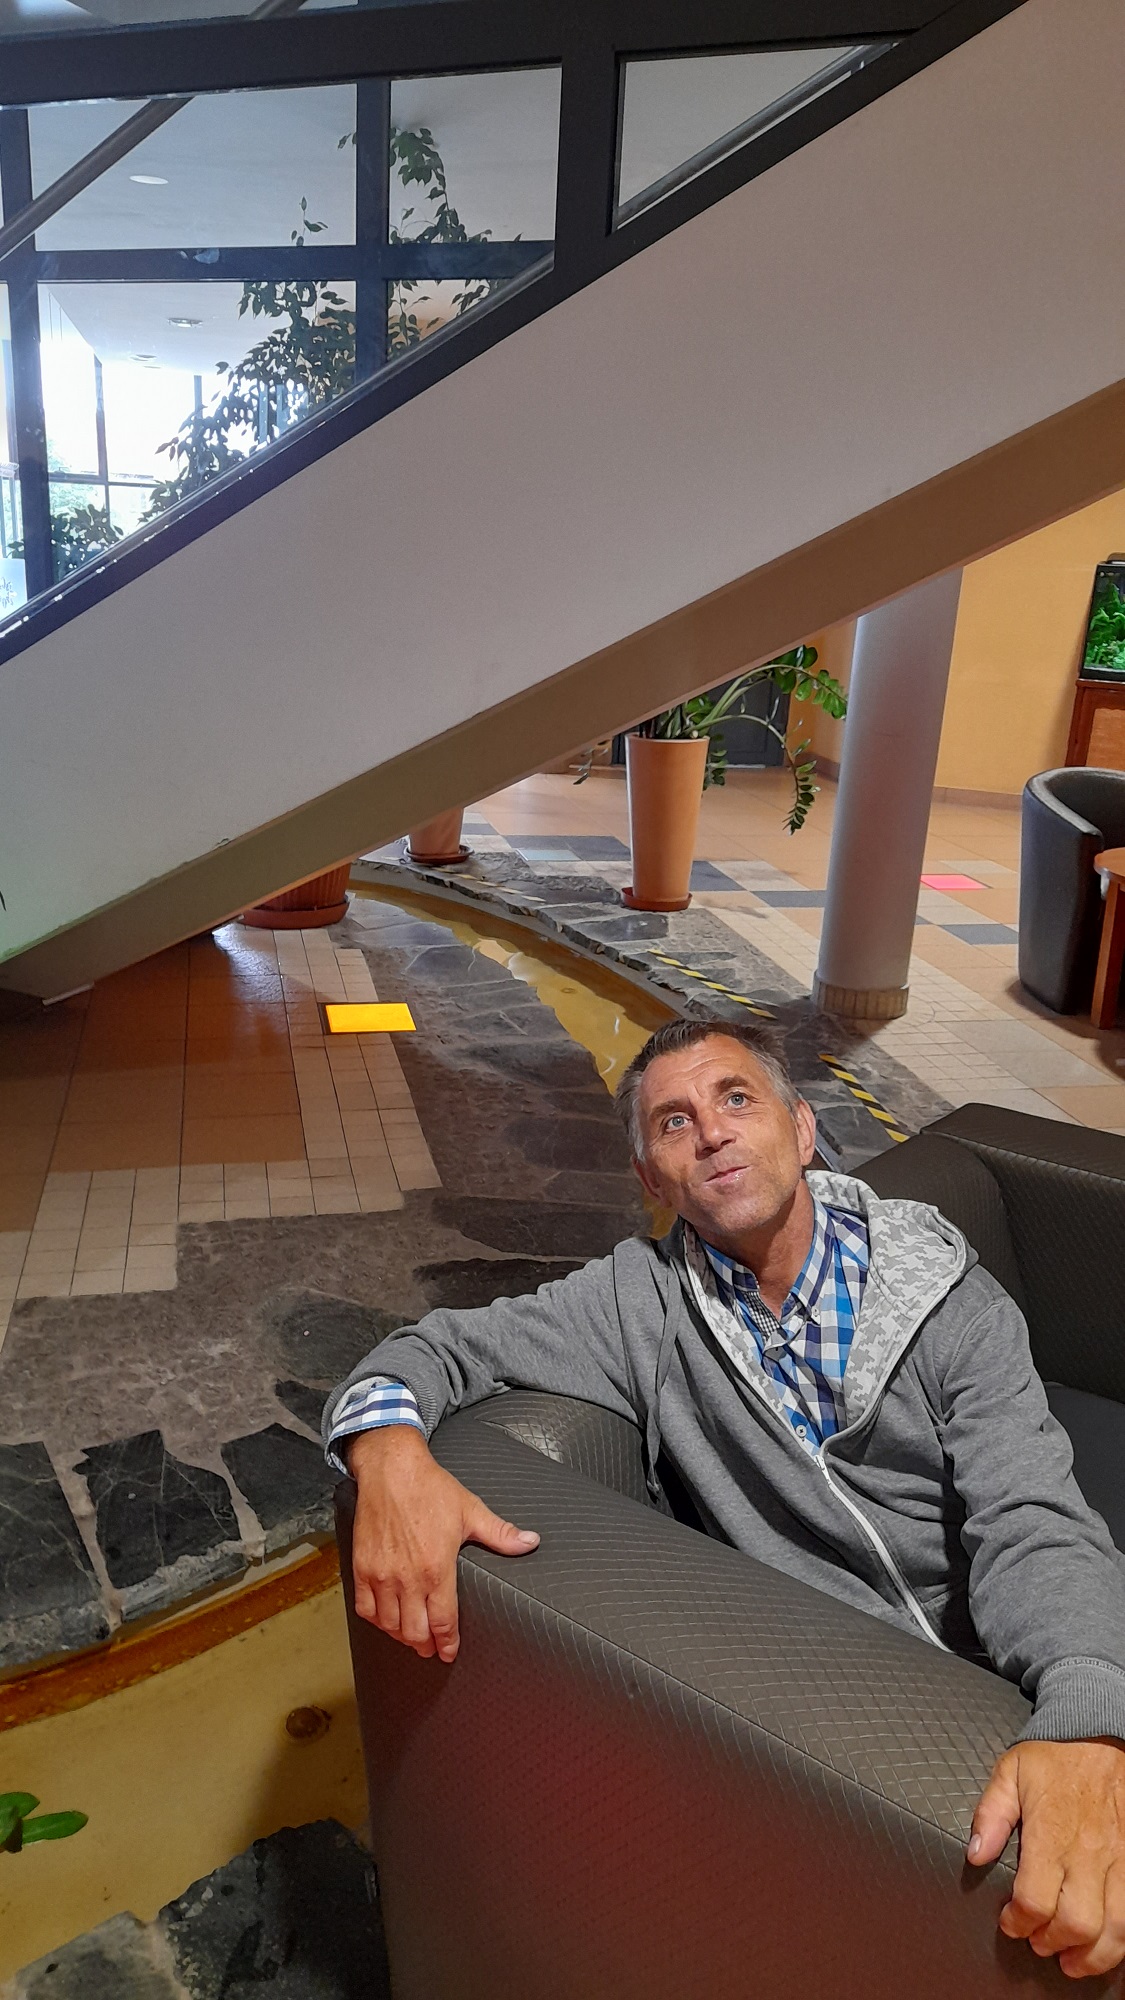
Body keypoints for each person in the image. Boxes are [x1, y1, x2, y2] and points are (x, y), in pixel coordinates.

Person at [324, 1016, 1125, 1981]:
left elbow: (1030, 1517)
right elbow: (429, 1349)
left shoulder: (947, 1299)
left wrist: (1085, 1711)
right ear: (652, 1181)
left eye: (735, 1098)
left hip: (1033, 1657)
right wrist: (386, 1454)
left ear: (802, 1129)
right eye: (673, 1121)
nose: (710, 1132)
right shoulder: (636, 1304)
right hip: (851, 1721)